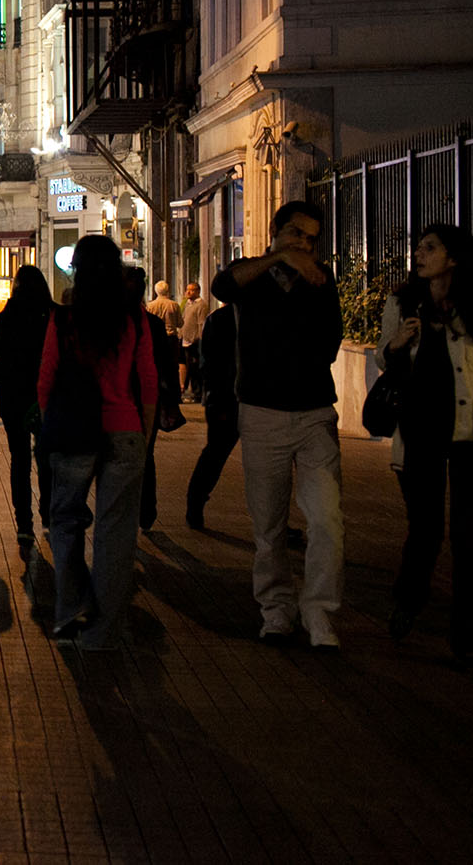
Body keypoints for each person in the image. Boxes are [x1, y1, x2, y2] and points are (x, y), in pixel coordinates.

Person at [377, 223, 473, 669]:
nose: (419, 254)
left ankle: (472, 638)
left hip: (471, 434)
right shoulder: (402, 302)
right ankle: (408, 598)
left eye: (430, 248)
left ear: (454, 258)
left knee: (471, 539)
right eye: (418, 248)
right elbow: (383, 358)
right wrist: (396, 344)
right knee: (425, 531)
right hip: (419, 433)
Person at [211, 199, 344, 650]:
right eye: (296, 235)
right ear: (277, 232)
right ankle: (276, 609)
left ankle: (320, 612)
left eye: (310, 238)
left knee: (326, 518)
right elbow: (222, 286)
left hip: (313, 413)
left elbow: (330, 343)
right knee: (268, 523)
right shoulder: (252, 273)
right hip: (262, 411)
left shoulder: (320, 281)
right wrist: (277, 258)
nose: (304, 244)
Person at [38, 234, 157, 649]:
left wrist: (48, 424)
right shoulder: (134, 318)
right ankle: (102, 633)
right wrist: (144, 432)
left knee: (65, 521)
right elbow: (148, 382)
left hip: (74, 431)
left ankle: (72, 603)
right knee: (116, 534)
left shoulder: (64, 318)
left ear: (78, 269)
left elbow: (46, 379)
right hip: (125, 431)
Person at [0, 264, 55, 544]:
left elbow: (0, 352)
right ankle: (48, 512)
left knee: (20, 458)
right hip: (45, 395)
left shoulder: (5, 318)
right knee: (46, 457)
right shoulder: (53, 316)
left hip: (14, 394)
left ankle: (24, 522)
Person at [125, 266, 182, 532]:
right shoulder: (153, 325)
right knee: (146, 454)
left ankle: (132, 509)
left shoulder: (114, 322)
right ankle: (146, 510)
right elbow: (167, 365)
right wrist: (171, 395)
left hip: (124, 400)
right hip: (148, 399)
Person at [183, 301, 240, 529]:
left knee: (215, 454)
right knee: (215, 454)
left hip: (239, 398)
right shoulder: (221, 319)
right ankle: (195, 503)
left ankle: (195, 503)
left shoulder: (221, 318)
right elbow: (211, 362)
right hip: (227, 398)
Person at [179, 280, 213, 402]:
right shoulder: (187, 304)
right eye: (187, 289)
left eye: (191, 290)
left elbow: (201, 323)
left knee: (195, 368)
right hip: (186, 340)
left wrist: (198, 339)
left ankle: (198, 393)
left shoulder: (201, 305)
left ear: (198, 291)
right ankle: (192, 391)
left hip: (195, 341)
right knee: (189, 367)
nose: (188, 292)